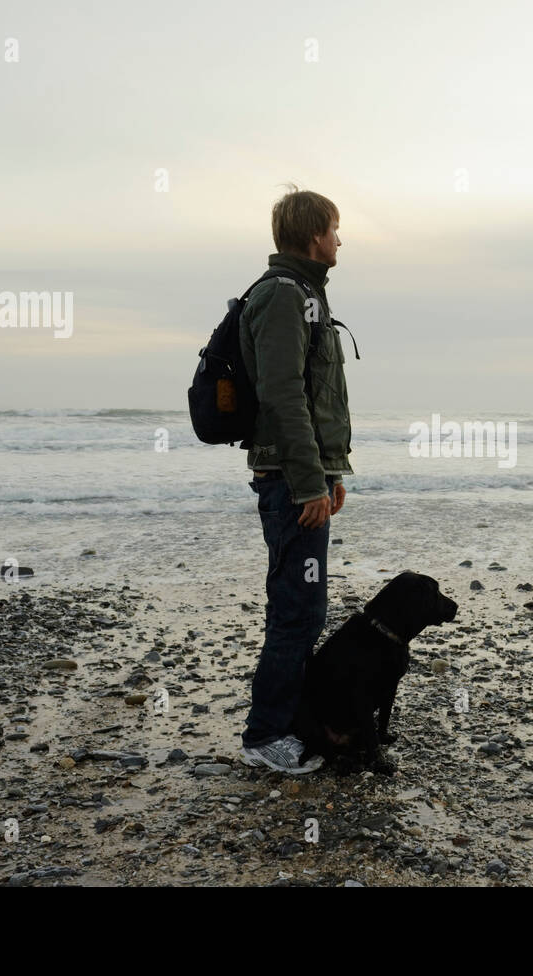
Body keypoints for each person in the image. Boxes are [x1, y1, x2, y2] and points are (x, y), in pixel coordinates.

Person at [238, 185, 352, 773]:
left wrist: (327, 474)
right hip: (287, 480)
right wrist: (308, 482)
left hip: (300, 475)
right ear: (313, 234)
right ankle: (264, 738)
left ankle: (288, 723)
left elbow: (313, 396)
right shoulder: (284, 295)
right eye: (334, 229)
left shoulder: (305, 295)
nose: (340, 239)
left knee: (304, 607)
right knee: (296, 611)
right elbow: (283, 396)